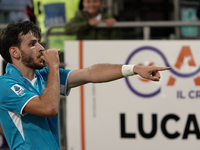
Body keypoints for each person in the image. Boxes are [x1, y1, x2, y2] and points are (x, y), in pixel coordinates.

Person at [0, 21, 170, 150]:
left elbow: (90, 73)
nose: (41, 48)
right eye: (32, 44)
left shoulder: (44, 76)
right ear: (14, 52)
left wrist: (134, 68)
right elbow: (48, 108)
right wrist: (53, 66)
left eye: (39, 42)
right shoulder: (5, 85)